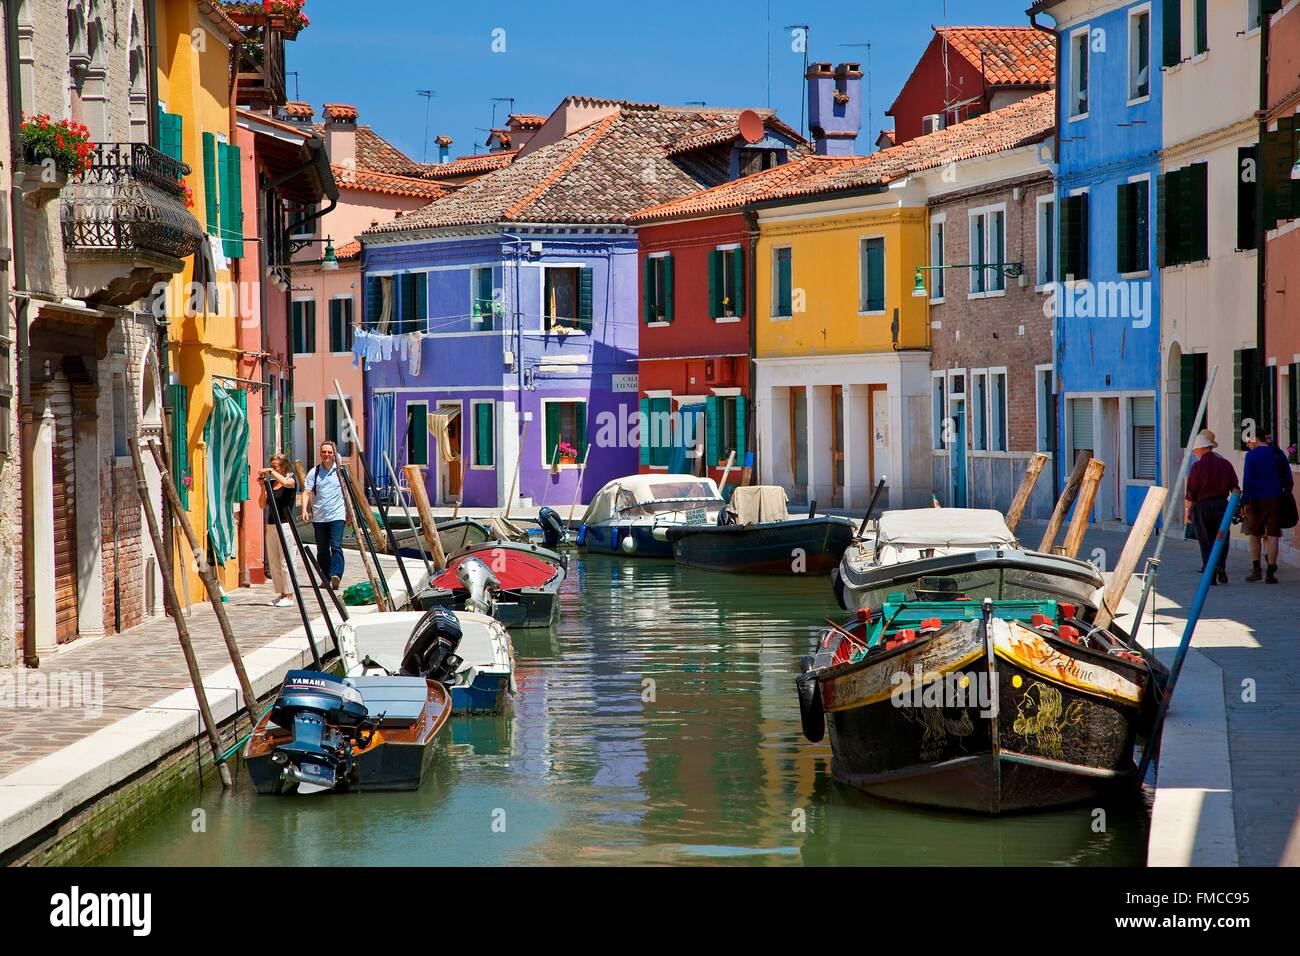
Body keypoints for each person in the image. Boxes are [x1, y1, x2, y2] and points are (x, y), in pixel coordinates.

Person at [1184, 430, 1238, 584]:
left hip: (1202, 508)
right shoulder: (1225, 464)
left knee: (1205, 540)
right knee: (1222, 538)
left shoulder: (1197, 467)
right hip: (1222, 506)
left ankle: (1210, 573)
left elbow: (1191, 493)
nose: (1195, 454)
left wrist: (1188, 512)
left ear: (1201, 449)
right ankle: (1220, 565)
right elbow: (1235, 488)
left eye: (1195, 451)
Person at [1242, 431, 1294, 584]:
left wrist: (1245, 501)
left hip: (1256, 500)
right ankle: (1271, 572)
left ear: (1255, 439)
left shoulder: (1251, 456)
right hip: (1276, 498)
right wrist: (1286, 492)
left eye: (1248, 441)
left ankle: (1256, 568)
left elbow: (1247, 480)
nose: (1247, 445)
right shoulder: (1277, 453)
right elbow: (1288, 478)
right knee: (1273, 536)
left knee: (1254, 534)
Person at [301, 440, 346, 589]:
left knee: (336, 546)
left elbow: (348, 494)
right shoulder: (314, 472)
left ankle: (336, 575)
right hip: (320, 517)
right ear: (320, 453)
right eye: (324, 452)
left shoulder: (340, 472)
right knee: (322, 549)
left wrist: (350, 515)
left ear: (334, 454)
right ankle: (326, 577)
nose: (326, 454)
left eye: (330, 452)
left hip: (337, 516)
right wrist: (304, 510)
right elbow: (306, 492)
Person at [257, 454, 298, 607]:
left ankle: (289, 595)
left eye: (276, 466)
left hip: (285, 525)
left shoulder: (291, 480)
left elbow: (286, 483)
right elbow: (262, 505)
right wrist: (262, 487)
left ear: (284, 467)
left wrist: (271, 472)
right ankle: (281, 594)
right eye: (272, 466)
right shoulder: (271, 483)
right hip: (271, 524)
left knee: (286, 561)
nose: (272, 469)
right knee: (274, 562)